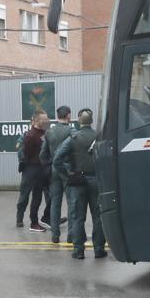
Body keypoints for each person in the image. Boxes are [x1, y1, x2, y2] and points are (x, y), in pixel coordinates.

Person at [53, 109, 107, 260]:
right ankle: (98, 249)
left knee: (77, 216)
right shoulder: (100, 137)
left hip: (78, 181)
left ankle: (78, 250)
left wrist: (67, 174)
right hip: (97, 181)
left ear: (78, 121)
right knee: (98, 216)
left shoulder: (73, 138)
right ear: (91, 121)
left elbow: (57, 159)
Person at [41, 105, 75, 243]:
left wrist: (50, 165)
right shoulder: (72, 131)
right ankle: (70, 236)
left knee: (55, 202)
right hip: (68, 171)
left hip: (54, 170)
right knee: (71, 203)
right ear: (68, 115)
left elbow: (43, 154)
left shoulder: (49, 132)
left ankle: (55, 235)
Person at [16, 110, 49, 231]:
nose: (46, 121)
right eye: (43, 120)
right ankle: (19, 218)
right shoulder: (30, 135)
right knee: (24, 196)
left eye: (47, 119)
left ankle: (34, 222)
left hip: (41, 170)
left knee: (37, 197)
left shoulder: (44, 132)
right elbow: (26, 154)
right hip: (30, 169)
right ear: (35, 120)